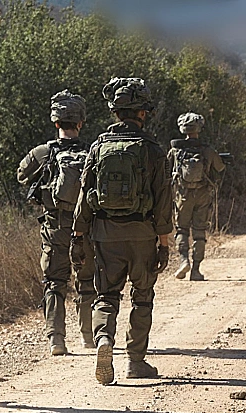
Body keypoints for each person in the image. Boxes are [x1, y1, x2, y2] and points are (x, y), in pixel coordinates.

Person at [71, 77, 172, 385]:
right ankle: (135, 361)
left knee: (106, 295)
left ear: (114, 111)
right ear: (143, 113)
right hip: (142, 234)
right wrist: (164, 242)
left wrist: (78, 236)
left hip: (104, 234)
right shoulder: (153, 150)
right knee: (142, 296)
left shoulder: (97, 147)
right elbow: (164, 200)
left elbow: (83, 196)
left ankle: (103, 340)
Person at [17, 90, 97, 356]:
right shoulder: (92, 152)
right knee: (87, 280)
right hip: (86, 227)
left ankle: (56, 339)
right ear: (81, 122)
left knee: (54, 281)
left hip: (55, 227)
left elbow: (21, 175)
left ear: (56, 123)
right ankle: (88, 335)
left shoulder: (42, 152)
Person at [168, 112, 226, 281]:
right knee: (199, 232)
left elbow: (166, 172)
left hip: (182, 195)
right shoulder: (207, 150)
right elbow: (220, 169)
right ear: (199, 128)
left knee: (182, 229)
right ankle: (196, 270)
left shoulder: (175, 150)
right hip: (203, 195)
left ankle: (183, 260)